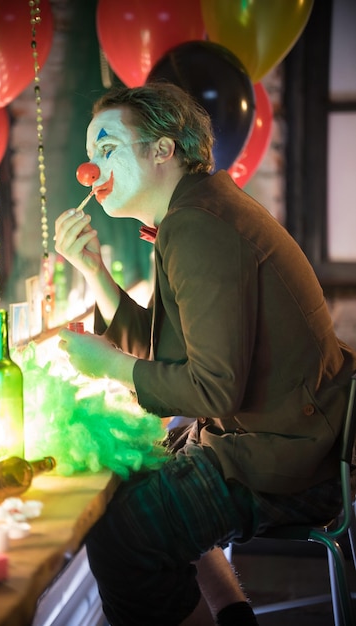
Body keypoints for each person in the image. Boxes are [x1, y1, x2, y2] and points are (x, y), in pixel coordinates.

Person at [54, 82, 356, 626]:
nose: (91, 170)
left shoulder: (197, 226)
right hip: (279, 431)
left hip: (293, 455)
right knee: (137, 472)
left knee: (127, 536)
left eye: (107, 149)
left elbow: (212, 389)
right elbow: (167, 351)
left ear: (162, 149)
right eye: (90, 154)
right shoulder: (193, 211)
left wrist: (107, 364)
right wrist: (94, 270)